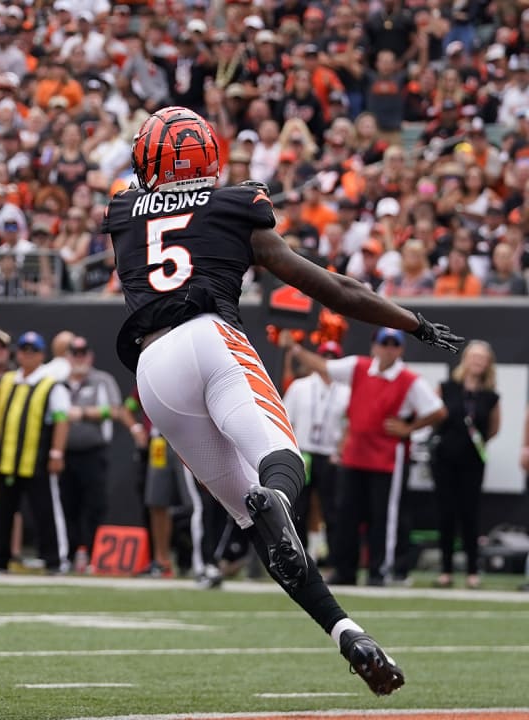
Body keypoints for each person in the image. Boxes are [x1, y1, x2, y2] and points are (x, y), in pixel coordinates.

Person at [107, 106, 461, 696]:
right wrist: (415, 323)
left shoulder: (121, 212)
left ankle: (345, 631)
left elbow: (150, 203)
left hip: (152, 373)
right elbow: (335, 289)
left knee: (258, 525)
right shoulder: (236, 206)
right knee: (284, 463)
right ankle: (277, 496)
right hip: (208, 337)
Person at [286, 329, 447, 587]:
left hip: (387, 457)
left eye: (394, 345)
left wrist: (409, 428)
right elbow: (324, 366)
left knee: (384, 515)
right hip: (355, 454)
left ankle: (380, 569)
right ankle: (344, 569)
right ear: (374, 346)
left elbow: (437, 411)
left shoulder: (408, 379)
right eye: (384, 343)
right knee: (346, 513)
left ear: (401, 350)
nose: (388, 349)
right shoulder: (358, 367)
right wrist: (296, 351)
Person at [0, 331, 71, 575]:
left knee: (45, 512)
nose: (27, 355)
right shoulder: (4, 382)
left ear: (41, 355)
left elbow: (61, 419)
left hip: (36, 460)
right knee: (3, 512)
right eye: (23, 350)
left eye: (32, 351)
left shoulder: (50, 385)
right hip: (7, 459)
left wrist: (56, 453)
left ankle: (54, 560)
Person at [61, 336, 141, 572]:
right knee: (68, 504)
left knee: (94, 503)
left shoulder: (101, 380)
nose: (79, 358)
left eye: (83, 353)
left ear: (90, 355)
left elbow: (116, 409)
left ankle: (91, 551)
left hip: (93, 452)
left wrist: (83, 413)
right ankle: (70, 552)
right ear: (68, 357)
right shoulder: (60, 382)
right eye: (75, 353)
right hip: (66, 453)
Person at [429, 340, 500, 589]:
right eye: (474, 356)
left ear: (488, 363)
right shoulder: (447, 387)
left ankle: (472, 570)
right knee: (445, 513)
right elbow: (434, 416)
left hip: (472, 462)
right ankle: (446, 569)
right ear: (465, 359)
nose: (477, 362)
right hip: (445, 459)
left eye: (482, 358)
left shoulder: (490, 396)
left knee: (470, 513)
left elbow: (492, 429)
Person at [281, 340, 351, 563]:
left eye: (333, 357)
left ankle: (333, 559)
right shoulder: (300, 387)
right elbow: (286, 420)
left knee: (332, 509)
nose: (328, 361)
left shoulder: (346, 391)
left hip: (330, 455)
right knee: (298, 507)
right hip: (304, 453)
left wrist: (340, 451)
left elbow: (350, 425)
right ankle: (297, 557)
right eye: (325, 356)